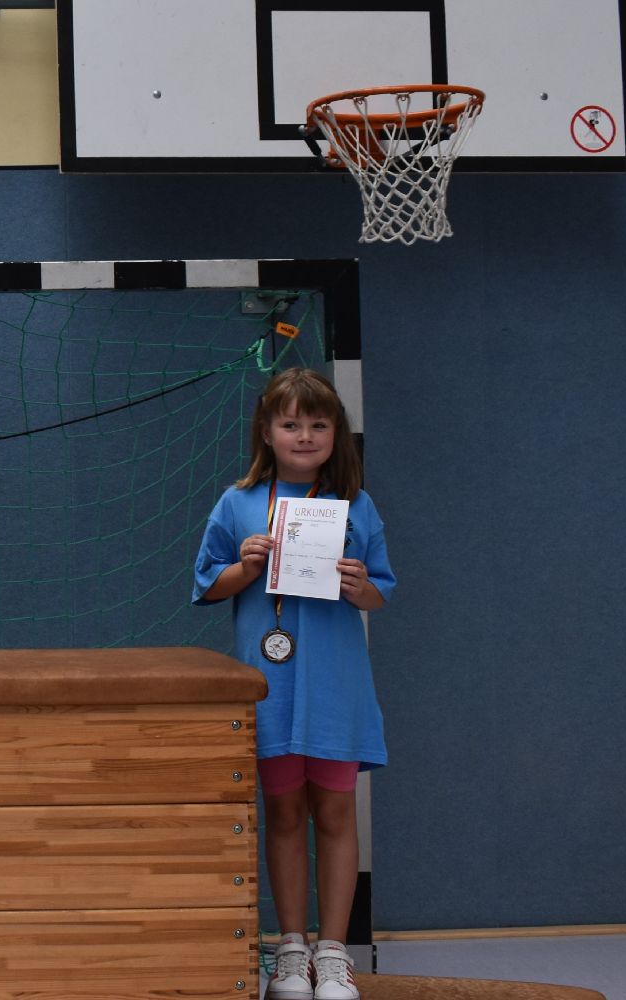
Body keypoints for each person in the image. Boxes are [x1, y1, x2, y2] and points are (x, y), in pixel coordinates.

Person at [191, 368, 393, 1000]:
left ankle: (333, 954)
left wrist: (359, 585)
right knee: (281, 812)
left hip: (335, 687)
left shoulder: (356, 505)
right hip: (271, 686)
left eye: (318, 424)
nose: (305, 435)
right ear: (267, 431)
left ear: (336, 434)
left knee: (334, 811)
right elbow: (207, 584)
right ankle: (291, 951)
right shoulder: (238, 502)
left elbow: (380, 593)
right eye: (291, 424)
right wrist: (245, 566)